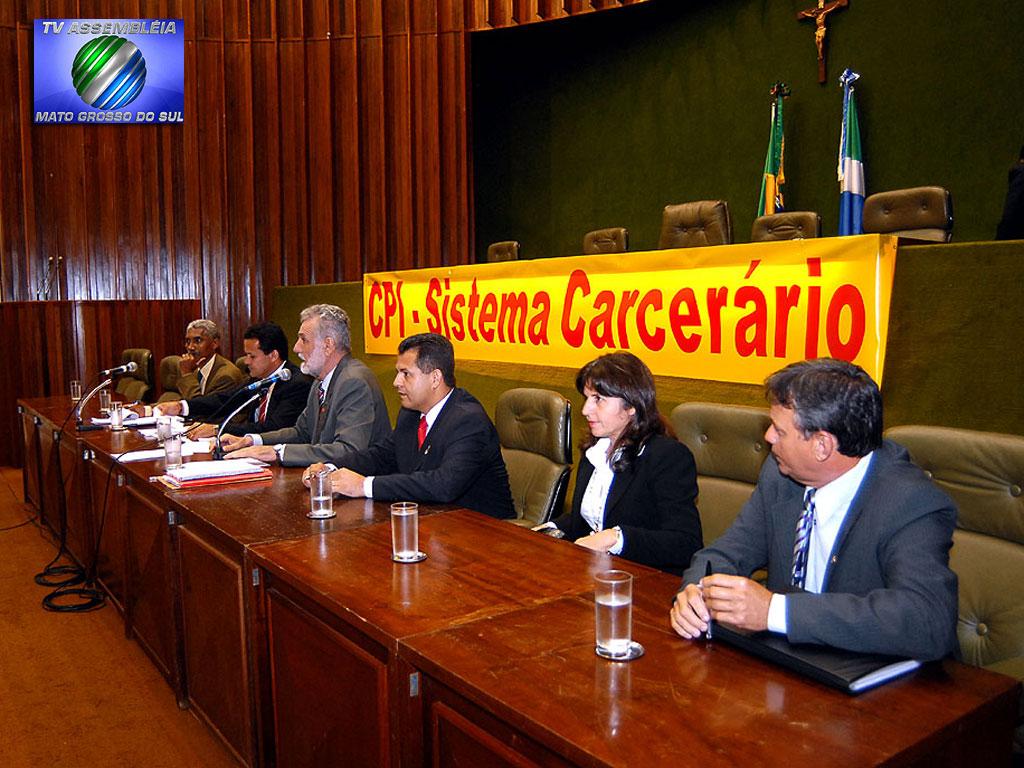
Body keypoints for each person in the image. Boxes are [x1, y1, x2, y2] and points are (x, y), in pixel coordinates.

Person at [670, 358, 958, 661]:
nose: (768, 437)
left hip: (883, 675)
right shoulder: (781, 474)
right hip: (794, 664)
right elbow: (724, 554)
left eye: (779, 431)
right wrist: (697, 593)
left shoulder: (910, 501)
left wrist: (774, 611)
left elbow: (928, 620)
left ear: (822, 445)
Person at [303, 333, 514, 519]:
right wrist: (329, 468)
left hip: (487, 532)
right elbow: (381, 456)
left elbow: (443, 485)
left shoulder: (468, 421)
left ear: (435, 378)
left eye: (406, 374)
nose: (396, 382)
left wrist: (363, 486)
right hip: (433, 523)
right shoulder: (411, 414)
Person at [535, 352, 702, 576]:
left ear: (631, 406)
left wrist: (615, 538)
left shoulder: (667, 457)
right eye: (586, 398)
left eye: (598, 399)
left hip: (646, 580)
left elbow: (685, 543)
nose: (585, 410)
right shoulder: (594, 451)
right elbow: (585, 521)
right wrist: (546, 531)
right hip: (597, 573)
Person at [222, 304, 390, 467]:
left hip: (360, 480)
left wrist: (278, 452)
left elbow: (348, 450)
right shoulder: (319, 381)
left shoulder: (354, 382)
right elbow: (302, 432)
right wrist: (253, 440)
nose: (296, 348)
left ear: (328, 345)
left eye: (304, 340)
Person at [153, 321, 312, 437]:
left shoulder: (297, 384)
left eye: (252, 356)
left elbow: (273, 428)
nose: (246, 361)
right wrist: (181, 406)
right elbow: (225, 400)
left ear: (273, 355)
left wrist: (218, 429)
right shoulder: (259, 379)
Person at [176, 319, 245, 398]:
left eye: (198, 340)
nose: (190, 347)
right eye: (188, 341)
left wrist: (187, 374)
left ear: (215, 343)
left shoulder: (226, 376)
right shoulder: (194, 367)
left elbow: (199, 405)